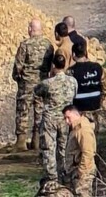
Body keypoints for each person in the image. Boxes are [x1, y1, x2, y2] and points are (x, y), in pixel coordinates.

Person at [34, 54, 78, 185]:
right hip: (66, 119)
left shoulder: (47, 83)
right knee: (64, 148)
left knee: (49, 149)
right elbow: (74, 95)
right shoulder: (72, 81)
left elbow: (36, 92)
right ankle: (65, 174)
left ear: (53, 65)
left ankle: (52, 178)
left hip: (50, 119)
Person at [12, 19, 54, 151]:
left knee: (23, 111)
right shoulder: (48, 45)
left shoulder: (25, 45)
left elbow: (18, 66)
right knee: (40, 112)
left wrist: (17, 78)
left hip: (27, 84)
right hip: (42, 83)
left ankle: (21, 142)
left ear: (30, 29)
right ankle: (37, 140)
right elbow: (50, 66)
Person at [66, 43, 106, 133]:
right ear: (85, 53)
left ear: (73, 54)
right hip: (96, 107)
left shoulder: (70, 71)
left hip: (79, 110)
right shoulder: (97, 67)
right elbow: (105, 85)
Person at [62, 105, 96, 197]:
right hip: (74, 171)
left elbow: (88, 152)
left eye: (68, 118)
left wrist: (81, 172)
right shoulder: (75, 128)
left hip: (83, 173)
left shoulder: (83, 129)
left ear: (76, 115)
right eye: (65, 118)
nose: (67, 121)